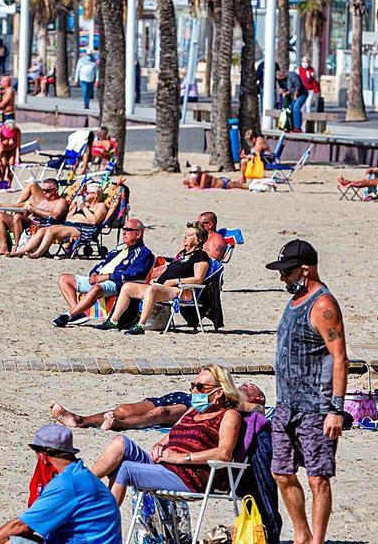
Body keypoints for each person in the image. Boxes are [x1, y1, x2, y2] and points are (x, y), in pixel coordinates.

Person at [266, 239, 348, 544]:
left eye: (287, 272)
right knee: (281, 472)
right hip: (286, 405)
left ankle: (317, 541)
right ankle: (302, 533)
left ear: (305, 269)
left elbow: (340, 357)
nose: (282, 278)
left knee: (318, 478)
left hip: (316, 408)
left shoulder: (323, 304)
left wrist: (335, 410)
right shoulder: (295, 299)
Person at [88, 365, 244, 503]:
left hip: (190, 476)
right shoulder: (193, 410)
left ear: (219, 393)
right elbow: (172, 433)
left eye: (201, 387)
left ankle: (102, 527)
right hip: (166, 466)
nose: (194, 391)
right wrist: (160, 444)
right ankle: (80, 484)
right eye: (193, 386)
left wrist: (181, 458)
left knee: (125, 469)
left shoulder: (229, 415)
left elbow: (224, 454)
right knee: (120, 442)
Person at [0, 425, 121, 544]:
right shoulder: (81, 476)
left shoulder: (67, 484)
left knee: (11, 541)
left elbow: (20, 527)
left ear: (43, 456)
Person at [94, 222, 212, 335]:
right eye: (185, 234)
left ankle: (141, 325)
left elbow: (198, 279)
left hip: (181, 290)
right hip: (162, 287)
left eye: (190, 235)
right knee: (127, 287)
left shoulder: (201, 256)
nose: (185, 237)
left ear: (199, 240)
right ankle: (113, 321)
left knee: (152, 290)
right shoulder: (182, 254)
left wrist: (175, 281)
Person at [52, 219, 155, 327]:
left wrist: (107, 276)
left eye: (128, 230)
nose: (124, 232)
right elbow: (104, 263)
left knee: (96, 289)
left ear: (138, 233)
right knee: (64, 279)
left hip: (116, 283)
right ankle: (78, 314)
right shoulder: (120, 248)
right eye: (123, 229)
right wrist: (94, 273)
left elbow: (132, 274)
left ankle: (69, 315)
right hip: (100, 279)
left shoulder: (144, 253)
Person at [50, 382, 266, 431]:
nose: (246, 385)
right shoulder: (230, 388)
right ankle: (81, 420)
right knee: (125, 408)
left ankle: (120, 425)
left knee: (160, 414)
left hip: (196, 408)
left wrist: (249, 403)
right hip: (182, 396)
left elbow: (259, 414)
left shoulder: (245, 405)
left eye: (250, 388)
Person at [8, 183, 111, 259]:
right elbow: (68, 217)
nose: (85, 195)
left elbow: (94, 221)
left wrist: (83, 208)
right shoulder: (84, 204)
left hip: (82, 230)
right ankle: (21, 251)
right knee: (43, 230)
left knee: (51, 231)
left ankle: (38, 253)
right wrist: (75, 207)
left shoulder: (100, 206)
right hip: (69, 225)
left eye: (87, 193)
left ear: (95, 195)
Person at [0, 178, 69, 255]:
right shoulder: (43, 201)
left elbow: (55, 216)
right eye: (43, 190)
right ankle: (4, 248)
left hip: (42, 229)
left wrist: (35, 210)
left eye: (47, 191)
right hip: (28, 227)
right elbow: (21, 207)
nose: (44, 193)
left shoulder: (61, 202)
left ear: (55, 190)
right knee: (0, 216)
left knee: (18, 217)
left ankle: (17, 248)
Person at [277, 67, 308, 132]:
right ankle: (289, 126)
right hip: (291, 95)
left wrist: (295, 95)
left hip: (301, 94)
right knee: (289, 108)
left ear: (283, 75)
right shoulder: (281, 80)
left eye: (281, 78)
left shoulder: (292, 75)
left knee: (296, 107)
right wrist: (282, 91)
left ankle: (297, 127)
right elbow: (283, 88)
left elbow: (298, 86)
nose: (280, 81)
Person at [183, 165, 248, 190]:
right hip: (221, 184)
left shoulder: (204, 175)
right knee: (237, 184)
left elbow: (201, 187)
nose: (193, 174)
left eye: (194, 172)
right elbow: (196, 185)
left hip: (224, 183)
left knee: (240, 186)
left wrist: (190, 184)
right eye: (191, 172)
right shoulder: (195, 177)